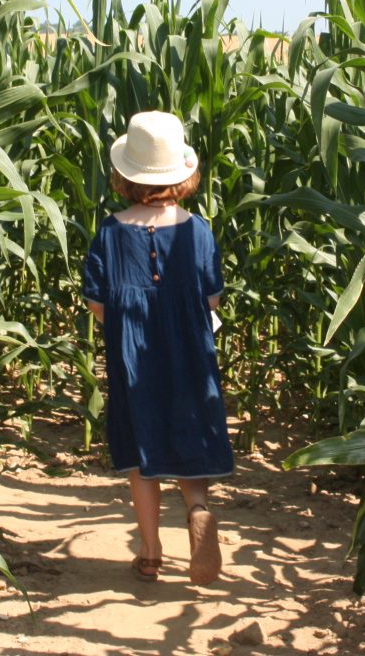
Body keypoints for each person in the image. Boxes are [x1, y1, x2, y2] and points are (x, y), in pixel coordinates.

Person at [82, 110, 234, 585]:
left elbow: (97, 301)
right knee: (189, 430)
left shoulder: (110, 232)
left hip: (134, 358)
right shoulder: (198, 230)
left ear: (124, 175)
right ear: (183, 174)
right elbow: (211, 296)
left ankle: (149, 552)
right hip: (190, 351)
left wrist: (127, 325)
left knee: (142, 452)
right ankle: (198, 508)